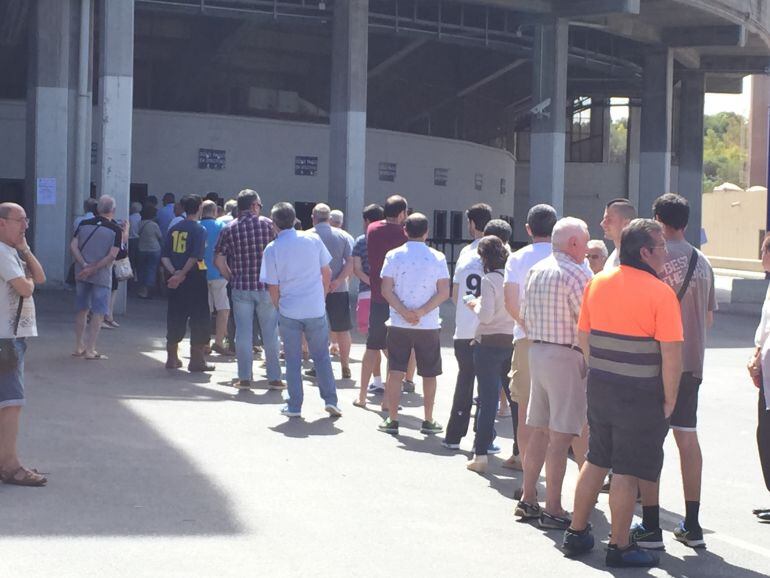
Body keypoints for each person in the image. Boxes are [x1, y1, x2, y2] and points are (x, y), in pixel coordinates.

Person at [563, 219, 683, 568]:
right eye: (661, 247)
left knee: (596, 459)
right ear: (645, 252)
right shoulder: (661, 293)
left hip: (601, 385)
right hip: (640, 392)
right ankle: (619, 545)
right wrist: (670, 398)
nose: (665, 253)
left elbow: (584, 336)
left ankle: (576, 531)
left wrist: (600, 368)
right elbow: (671, 354)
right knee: (627, 470)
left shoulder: (598, 282)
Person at [629, 193, 716, 549]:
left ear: (658, 220)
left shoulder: (652, 257)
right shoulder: (703, 261)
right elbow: (708, 317)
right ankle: (692, 523)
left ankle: (650, 523)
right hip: (691, 363)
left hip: (654, 361)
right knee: (687, 437)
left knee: (650, 442)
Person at [514, 217, 592, 530]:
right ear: (574, 243)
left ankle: (529, 498)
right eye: (585, 241)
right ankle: (554, 506)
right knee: (561, 438)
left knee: (539, 430)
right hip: (565, 355)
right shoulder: (578, 273)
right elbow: (586, 321)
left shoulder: (537, 269)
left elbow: (525, 314)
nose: (587, 247)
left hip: (538, 350)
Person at [260, 202, 341, 418]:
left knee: (293, 360)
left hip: (289, 310)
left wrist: (279, 306)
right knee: (322, 356)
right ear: (294, 218)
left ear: (274, 223)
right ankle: (331, 400)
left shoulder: (272, 249)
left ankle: (295, 405)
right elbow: (327, 272)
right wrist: (322, 296)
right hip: (315, 307)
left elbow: (273, 286)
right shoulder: (312, 240)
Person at [378, 213, 450, 435]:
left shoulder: (393, 255)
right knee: (429, 373)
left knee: (396, 370)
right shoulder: (437, 257)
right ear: (427, 232)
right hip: (427, 324)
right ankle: (428, 419)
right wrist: (421, 312)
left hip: (399, 323)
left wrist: (404, 312)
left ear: (405, 230)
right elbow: (444, 291)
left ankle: (393, 419)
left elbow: (386, 289)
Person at [501, 204, 557, 470]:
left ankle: (528, 471)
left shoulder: (517, 258)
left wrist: (528, 326)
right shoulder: (567, 257)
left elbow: (510, 301)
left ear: (527, 229)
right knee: (557, 413)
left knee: (524, 409)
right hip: (560, 341)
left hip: (525, 338)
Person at [214, 190, 282, 389]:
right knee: (270, 333)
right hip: (267, 287)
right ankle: (274, 378)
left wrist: (232, 277)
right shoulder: (269, 225)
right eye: (259, 205)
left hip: (241, 287)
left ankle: (244, 377)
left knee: (242, 333)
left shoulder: (229, 228)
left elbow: (218, 259)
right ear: (254, 205)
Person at [0, 203, 47, 487]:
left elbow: (39, 277)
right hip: (6, 339)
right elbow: (27, 287)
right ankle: (11, 465)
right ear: (2, 223)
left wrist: (26, 250)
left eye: (26, 220)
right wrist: (27, 278)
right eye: (20, 220)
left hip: (13, 338)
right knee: (12, 403)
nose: (25, 225)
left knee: (7, 403)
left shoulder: (13, 252)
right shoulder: (2, 253)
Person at [443, 203, 493, 449]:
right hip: (490, 329)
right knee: (488, 385)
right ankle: (482, 440)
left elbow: (455, 294)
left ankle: (453, 435)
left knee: (465, 380)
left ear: (472, 224)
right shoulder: (501, 251)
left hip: (464, 327)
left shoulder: (465, 253)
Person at [464, 235, 514, 472]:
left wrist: (473, 304)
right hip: (511, 340)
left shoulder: (489, 279)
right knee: (515, 400)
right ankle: (519, 452)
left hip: (488, 342)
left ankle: (480, 453)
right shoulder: (512, 278)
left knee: (488, 399)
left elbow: (486, 316)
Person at [360, 195, 408, 407]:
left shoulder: (372, 230)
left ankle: (361, 396)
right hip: (398, 299)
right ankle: (388, 400)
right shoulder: (405, 234)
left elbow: (378, 224)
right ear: (401, 214)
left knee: (372, 346)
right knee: (396, 352)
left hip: (378, 297)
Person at [161, 194, 213, 373]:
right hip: (194, 278)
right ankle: (197, 360)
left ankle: (172, 357)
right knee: (199, 316)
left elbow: (165, 255)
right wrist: (182, 273)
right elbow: (195, 256)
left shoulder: (174, 228)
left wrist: (174, 273)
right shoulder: (199, 230)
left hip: (174, 278)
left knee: (175, 314)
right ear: (199, 207)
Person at [70, 195, 122, 360]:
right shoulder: (115, 229)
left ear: (97, 209)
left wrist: (84, 265)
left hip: (81, 272)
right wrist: (94, 267)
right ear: (113, 210)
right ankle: (91, 349)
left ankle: (78, 345)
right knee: (99, 311)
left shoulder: (83, 224)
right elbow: (112, 255)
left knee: (81, 308)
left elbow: (73, 245)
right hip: (101, 274)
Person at [307, 203, 354, 379]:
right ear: (329, 218)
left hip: (314, 289)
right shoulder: (342, 236)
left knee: (315, 328)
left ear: (313, 217)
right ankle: (345, 365)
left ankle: (318, 365)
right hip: (339, 289)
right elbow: (350, 262)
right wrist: (339, 280)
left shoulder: (307, 236)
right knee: (343, 329)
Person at [352, 204, 385, 405]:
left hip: (367, 294)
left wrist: (370, 282)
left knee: (372, 342)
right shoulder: (391, 239)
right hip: (388, 296)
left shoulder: (361, 241)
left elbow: (356, 268)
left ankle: (377, 381)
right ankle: (398, 381)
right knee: (387, 343)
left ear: (366, 221)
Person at [750, 233, 770, 523]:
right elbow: (764, 328)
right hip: (767, 373)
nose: (761, 256)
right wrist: (755, 357)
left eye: (765, 250)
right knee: (764, 434)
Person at [199, 200, 231, 356]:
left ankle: (204, 343)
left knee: (205, 309)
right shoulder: (221, 227)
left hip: (200, 273)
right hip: (218, 272)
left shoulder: (198, 225)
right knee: (223, 309)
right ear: (215, 212)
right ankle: (218, 342)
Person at [600, 198, 636, 271]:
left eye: (609, 219)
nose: (602, 224)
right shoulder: (613, 256)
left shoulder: (636, 259)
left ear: (626, 224)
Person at [136, 205, 163, 299]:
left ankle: (142, 289)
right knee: (151, 269)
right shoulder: (154, 225)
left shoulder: (140, 223)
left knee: (142, 269)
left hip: (142, 248)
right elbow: (160, 236)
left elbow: (137, 234)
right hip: (154, 249)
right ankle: (148, 289)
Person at [128, 201, 142, 274]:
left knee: (131, 258)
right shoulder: (141, 218)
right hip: (139, 240)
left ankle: (132, 274)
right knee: (138, 259)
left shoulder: (129, 218)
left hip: (131, 239)